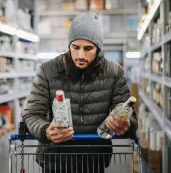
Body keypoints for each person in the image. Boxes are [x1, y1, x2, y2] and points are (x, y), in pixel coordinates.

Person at [22, 13, 138, 173]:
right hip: (55, 160)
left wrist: (125, 124)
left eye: (88, 48)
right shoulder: (47, 71)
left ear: (98, 48)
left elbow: (127, 113)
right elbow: (31, 115)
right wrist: (45, 130)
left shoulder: (114, 72)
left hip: (94, 161)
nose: (81, 55)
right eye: (75, 47)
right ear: (69, 45)